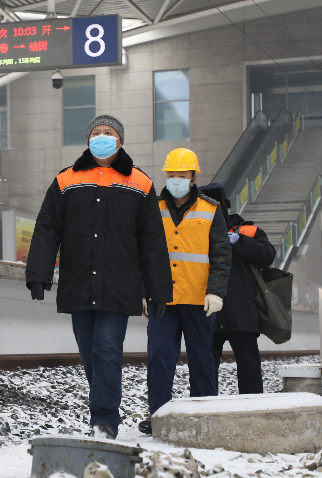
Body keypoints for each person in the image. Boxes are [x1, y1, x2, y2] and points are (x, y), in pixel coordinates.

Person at [26, 115, 173, 440]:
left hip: (119, 285)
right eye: (96, 133)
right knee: (89, 350)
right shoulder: (67, 180)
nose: (102, 137)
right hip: (79, 282)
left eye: (109, 133)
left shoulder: (140, 183)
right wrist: (39, 271)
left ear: (120, 141)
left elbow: (152, 242)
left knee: (107, 349)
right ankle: (104, 406)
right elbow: (48, 227)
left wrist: (157, 289)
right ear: (88, 139)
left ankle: (104, 421)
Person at [139, 148, 231, 435]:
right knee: (159, 358)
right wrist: (143, 291)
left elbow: (221, 255)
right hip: (163, 300)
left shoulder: (211, 209)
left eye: (182, 175)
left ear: (193, 177)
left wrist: (216, 292)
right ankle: (159, 416)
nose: (176, 179)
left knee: (202, 359)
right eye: (172, 175)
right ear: (166, 176)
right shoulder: (152, 208)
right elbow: (142, 254)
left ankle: (204, 414)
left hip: (197, 299)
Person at [199, 183, 276, 395]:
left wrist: (237, 241)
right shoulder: (193, 231)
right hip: (207, 313)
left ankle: (251, 409)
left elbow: (267, 256)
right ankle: (206, 411)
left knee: (249, 368)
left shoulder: (247, 231)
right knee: (205, 369)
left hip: (242, 313)